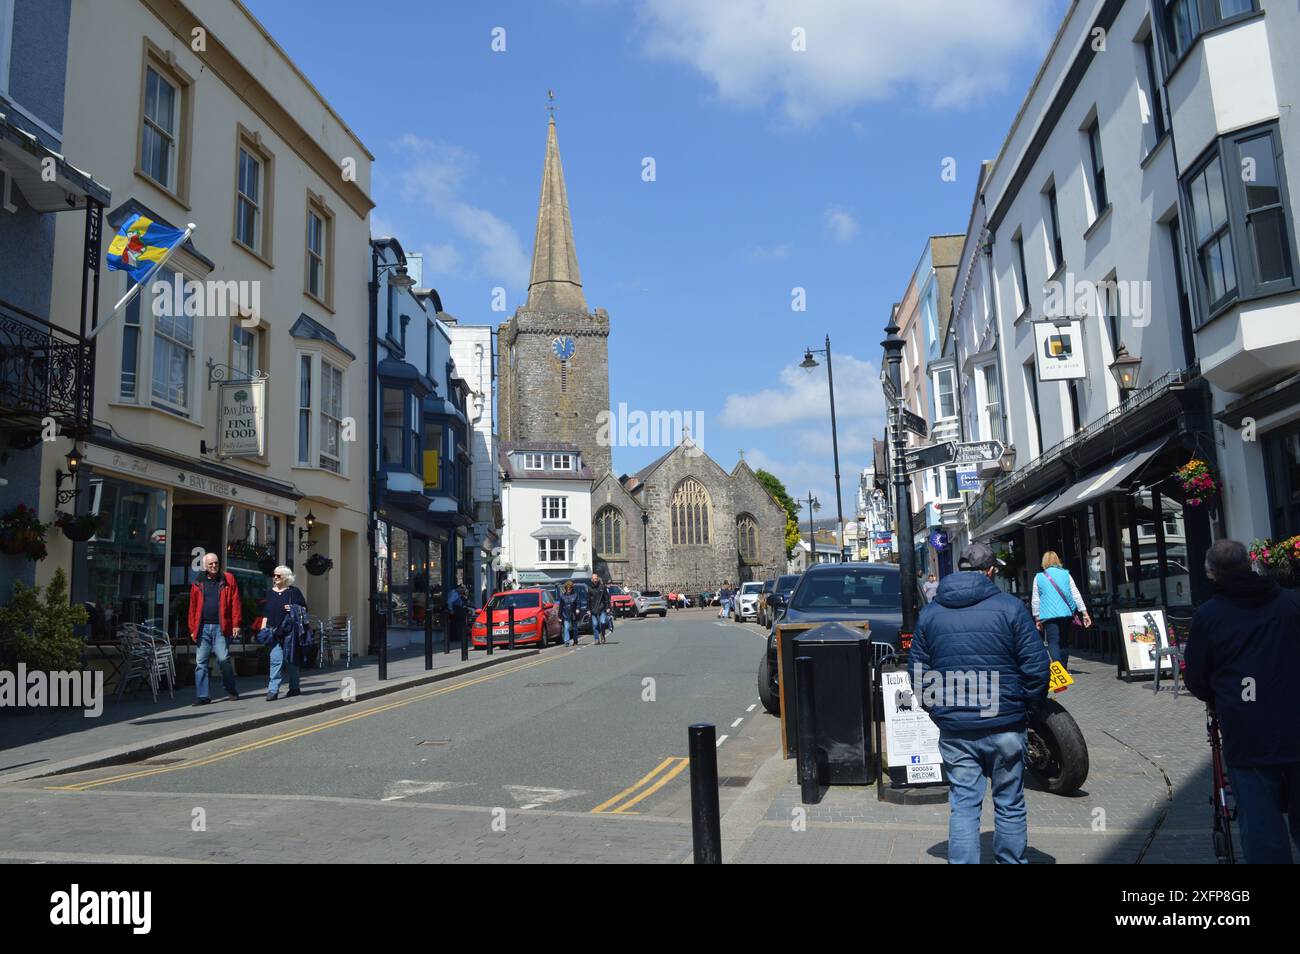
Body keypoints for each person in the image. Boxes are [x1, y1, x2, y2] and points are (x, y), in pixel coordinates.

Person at [910, 542, 1051, 864]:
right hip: (1005, 722)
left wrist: (939, 712)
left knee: (963, 804)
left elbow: (918, 671)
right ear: (990, 571)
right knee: (1010, 802)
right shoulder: (1011, 608)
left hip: (957, 728)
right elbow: (1035, 667)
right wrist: (1027, 712)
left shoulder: (931, 613)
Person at [1185, 539, 1300, 864]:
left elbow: (1195, 677)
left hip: (1247, 730)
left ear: (1211, 573)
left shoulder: (1209, 616)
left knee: (1263, 829)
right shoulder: (1290, 604)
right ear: (1250, 563)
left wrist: (1215, 697)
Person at [187, 552, 242, 706]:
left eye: (216, 563)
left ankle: (230, 689)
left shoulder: (228, 579)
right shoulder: (198, 582)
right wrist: (193, 629)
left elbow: (235, 602)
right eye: (210, 564)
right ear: (205, 566)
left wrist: (236, 623)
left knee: (224, 660)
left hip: (221, 627)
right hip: (202, 627)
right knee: (201, 663)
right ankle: (203, 696)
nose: (214, 566)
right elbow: (192, 608)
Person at [1031, 551, 1092, 671]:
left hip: (1048, 615)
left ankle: (1058, 669)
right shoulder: (1066, 574)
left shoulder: (1038, 577)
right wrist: (1085, 613)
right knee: (1064, 641)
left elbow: (1035, 599)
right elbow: (1076, 594)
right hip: (1066, 613)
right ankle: (1063, 669)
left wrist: (1037, 617)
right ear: (1057, 560)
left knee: (1053, 641)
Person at [262, 565, 307, 701]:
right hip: (274, 632)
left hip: (290, 633)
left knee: (292, 661)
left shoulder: (294, 592)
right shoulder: (270, 592)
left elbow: (305, 610)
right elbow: (265, 612)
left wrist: (293, 608)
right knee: (275, 660)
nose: (275, 578)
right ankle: (273, 690)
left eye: (278, 576)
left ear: (286, 577)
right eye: (274, 575)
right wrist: (263, 628)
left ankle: (294, 687)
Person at [588, 573, 611, 644]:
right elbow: (588, 600)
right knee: (595, 624)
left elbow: (607, 598)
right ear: (591, 580)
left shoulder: (602, 587)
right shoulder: (589, 588)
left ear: (598, 579)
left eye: (596, 578)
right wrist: (588, 610)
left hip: (602, 608)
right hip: (593, 609)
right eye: (593, 579)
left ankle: (603, 635)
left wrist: (608, 607)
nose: (595, 580)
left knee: (603, 622)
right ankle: (596, 639)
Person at [557, 580, 581, 646]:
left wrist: (577, 609)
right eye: (567, 588)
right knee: (566, 627)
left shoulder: (575, 595)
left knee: (575, 628)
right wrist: (559, 616)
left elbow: (578, 603)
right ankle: (566, 641)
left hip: (573, 614)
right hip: (565, 614)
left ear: (572, 588)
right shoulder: (562, 596)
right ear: (565, 588)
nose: (568, 589)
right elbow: (561, 607)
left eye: (570, 588)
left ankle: (575, 640)